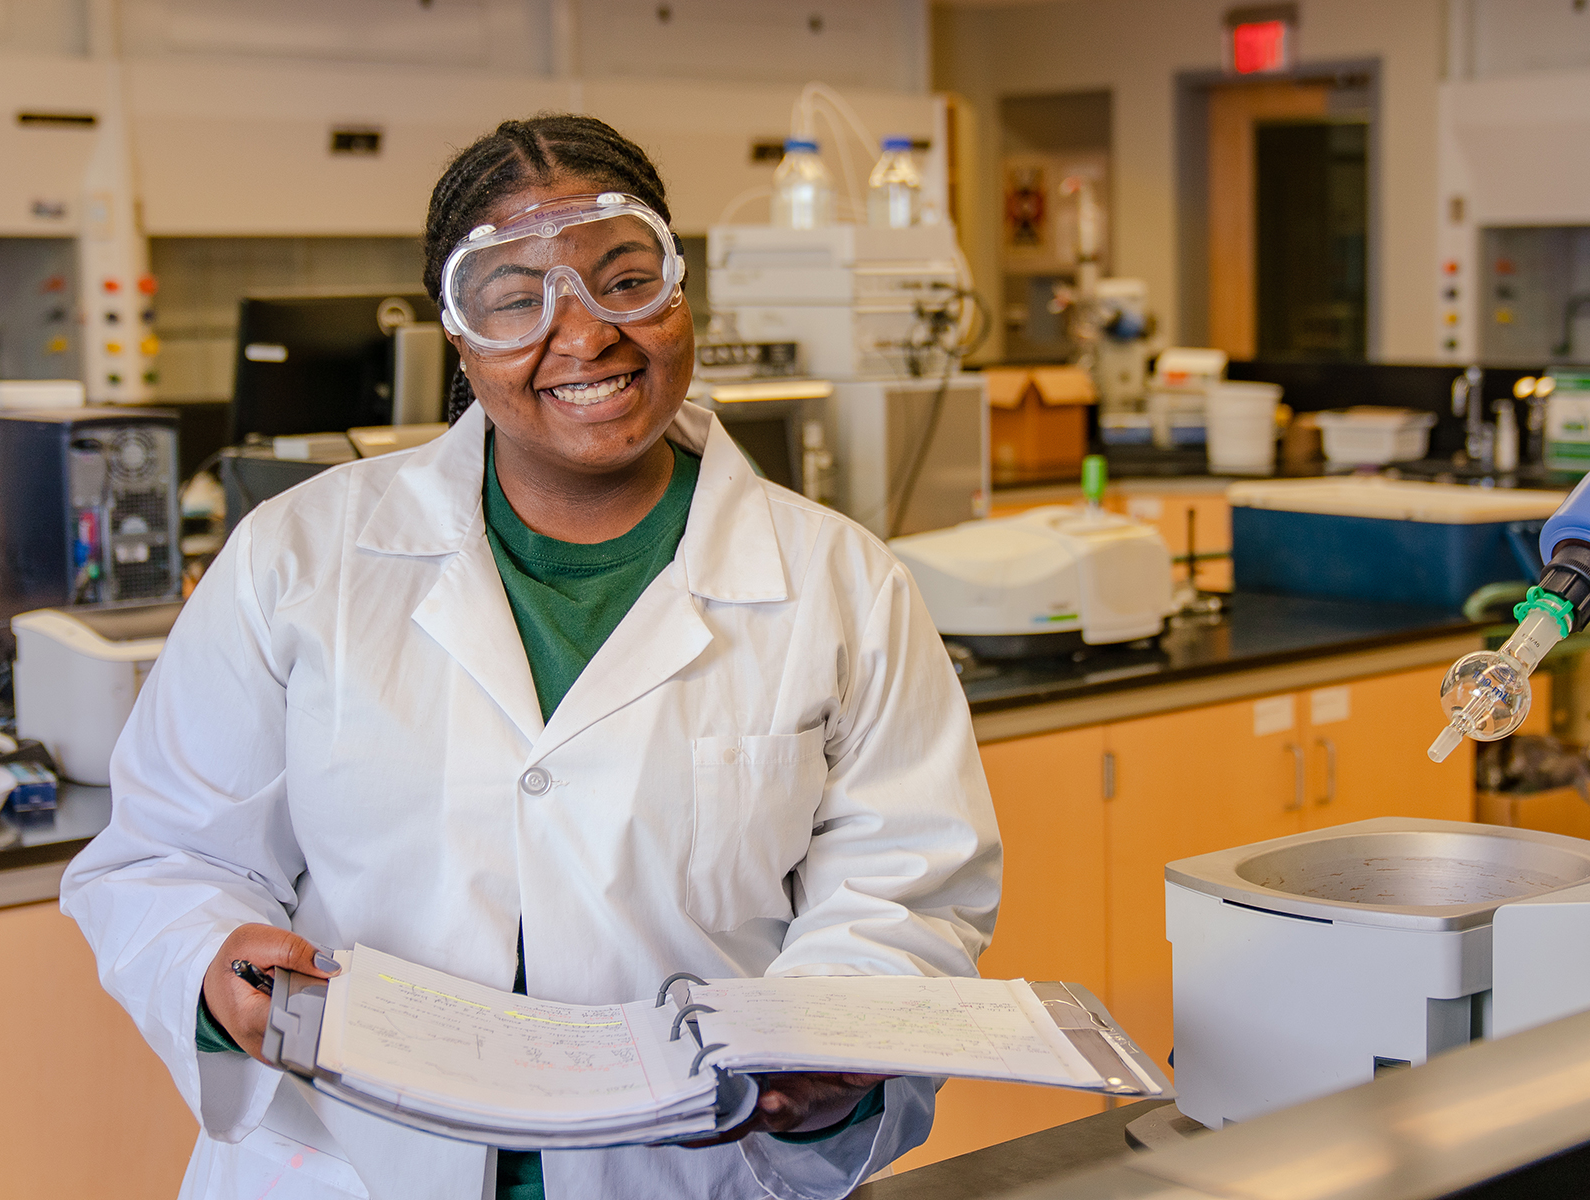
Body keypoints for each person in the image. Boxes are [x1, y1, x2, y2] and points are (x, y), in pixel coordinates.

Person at [61, 114, 1001, 1200]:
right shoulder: (301, 557)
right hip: (349, 1165)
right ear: (459, 339)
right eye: (516, 298)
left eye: (625, 278)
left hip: (687, 1167)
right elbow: (167, 855)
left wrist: (831, 1044)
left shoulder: (845, 585)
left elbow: (908, 894)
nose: (585, 333)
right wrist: (213, 967)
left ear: (679, 289)